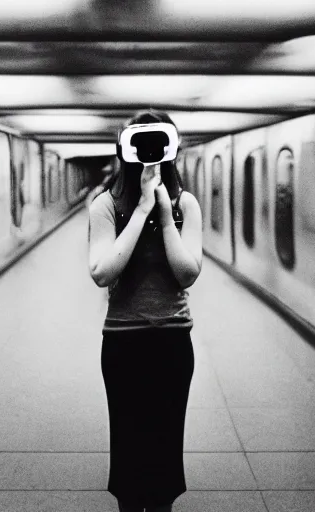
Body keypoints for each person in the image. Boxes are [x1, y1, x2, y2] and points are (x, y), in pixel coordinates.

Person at [87, 110, 203, 512]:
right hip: (122, 342)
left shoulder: (186, 204)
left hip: (173, 339)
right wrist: (139, 211)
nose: (149, 156)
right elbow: (103, 272)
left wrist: (166, 217)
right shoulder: (104, 206)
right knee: (129, 445)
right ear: (125, 150)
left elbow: (187, 274)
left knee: (166, 445)